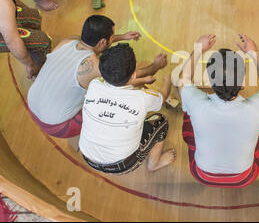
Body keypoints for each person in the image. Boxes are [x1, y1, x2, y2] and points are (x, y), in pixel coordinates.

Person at [27, 15, 167, 139]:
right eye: (111, 38)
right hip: (57, 126)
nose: (113, 39)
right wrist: (156, 66)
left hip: (32, 104)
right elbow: (126, 77)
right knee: (112, 96)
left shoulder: (68, 41)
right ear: (103, 42)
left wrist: (122, 36)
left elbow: (97, 43)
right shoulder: (95, 68)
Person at [178, 34, 259, 188]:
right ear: (243, 83)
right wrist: (254, 53)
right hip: (244, 177)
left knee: (188, 114)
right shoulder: (257, 108)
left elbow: (183, 79)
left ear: (209, 82)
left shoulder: (196, 104)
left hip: (202, 175)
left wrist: (198, 49)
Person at [79, 44, 175, 175]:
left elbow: (116, 86)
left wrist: (138, 80)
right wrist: (167, 81)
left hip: (87, 156)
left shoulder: (94, 84)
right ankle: (154, 164)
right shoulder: (142, 98)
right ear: (134, 75)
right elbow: (162, 98)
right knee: (161, 121)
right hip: (122, 165)